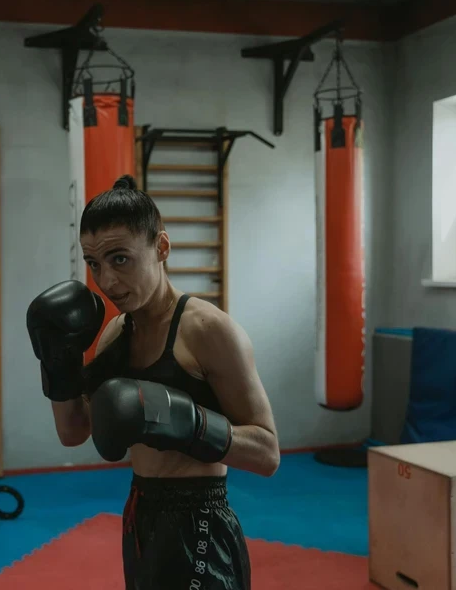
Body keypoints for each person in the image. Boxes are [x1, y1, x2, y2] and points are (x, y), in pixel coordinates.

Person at [26, 174, 280, 590]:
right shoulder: (115, 334)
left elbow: (268, 454)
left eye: (120, 259)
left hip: (201, 521)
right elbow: (73, 431)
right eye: (94, 264)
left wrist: (189, 423)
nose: (106, 281)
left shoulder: (207, 331)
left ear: (161, 247)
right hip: (139, 515)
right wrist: (59, 361)